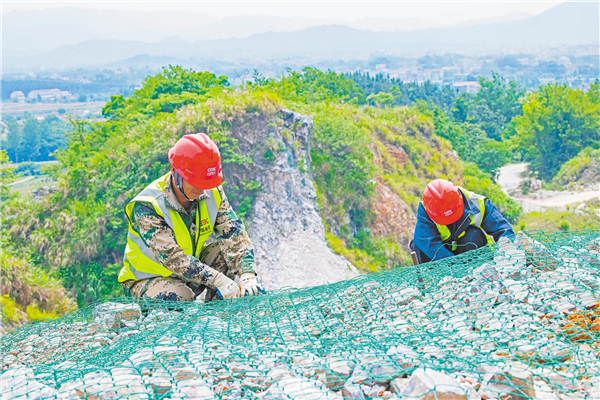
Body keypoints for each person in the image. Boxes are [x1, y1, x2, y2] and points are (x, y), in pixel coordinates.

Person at [118, 133, 265, 302]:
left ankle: (218, 315)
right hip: (145, 280)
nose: (201, 189)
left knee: (223, 252)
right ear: (175, 173)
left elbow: (232, 231)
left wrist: (247, 274)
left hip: (188, 275)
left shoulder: (212, 191)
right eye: (195, 181)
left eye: (205, 182)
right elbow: (173, 258)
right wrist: (218, 279)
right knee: (180, 296)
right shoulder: (147, 206)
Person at [410, 179, 515, 264]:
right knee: (418, 245)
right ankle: (434, 282)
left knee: (473, 234)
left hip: (471, 251)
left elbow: (502, 229)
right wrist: (455, 267)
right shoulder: (426, 210)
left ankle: (480, 269)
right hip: (443, 258)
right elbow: (429, 244)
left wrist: (509, 252)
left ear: (460, 200)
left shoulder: (477, 202)